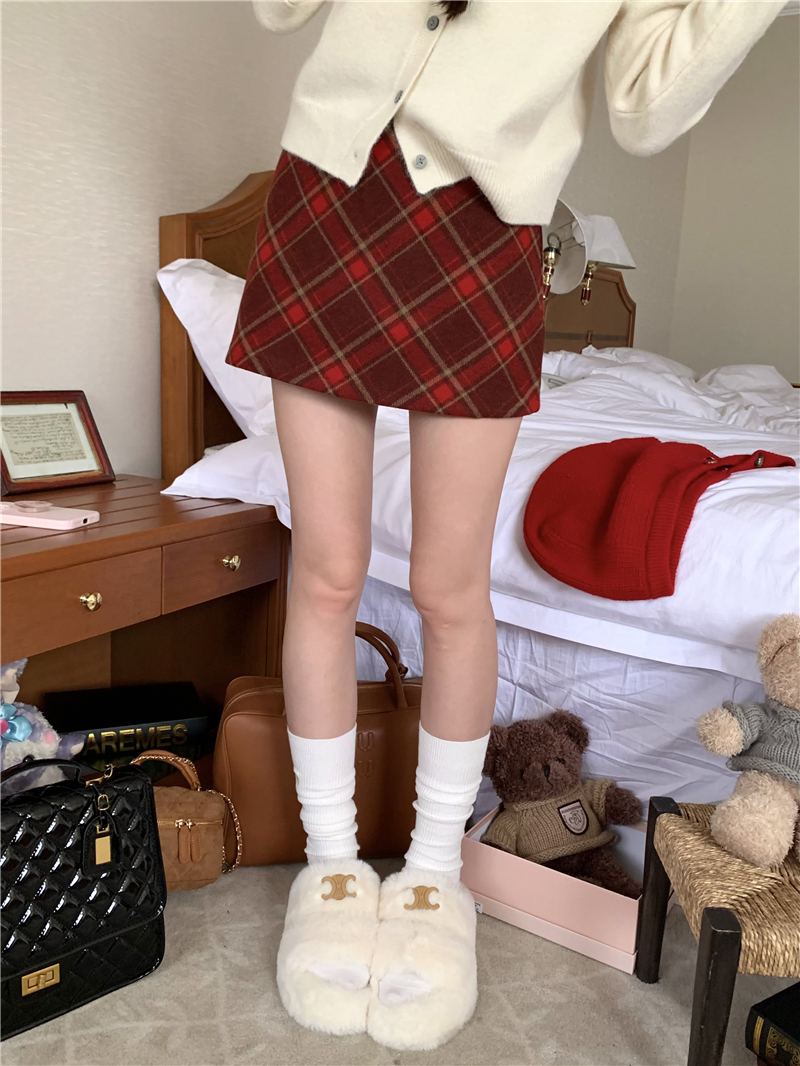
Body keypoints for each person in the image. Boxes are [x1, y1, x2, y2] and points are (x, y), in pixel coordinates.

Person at [225, 0, 783, 1051]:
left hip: (484, 230)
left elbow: (646, 107)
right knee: (328, 570)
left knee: (448, 588)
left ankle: (435, 877)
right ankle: (332, 869)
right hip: (326, 194)